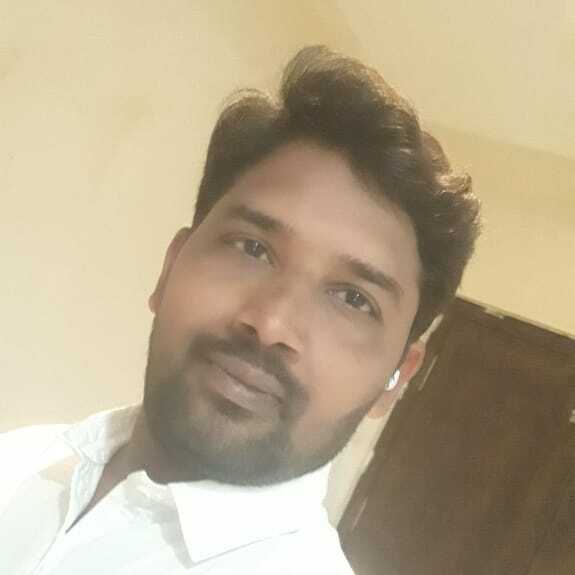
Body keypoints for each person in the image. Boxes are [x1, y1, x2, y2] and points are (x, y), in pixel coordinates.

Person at [0, 46, 480, 574]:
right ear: (170, 268)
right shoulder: (21, 460)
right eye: (252, 248)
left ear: (395, 379)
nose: (271, 324)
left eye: (353, 299)